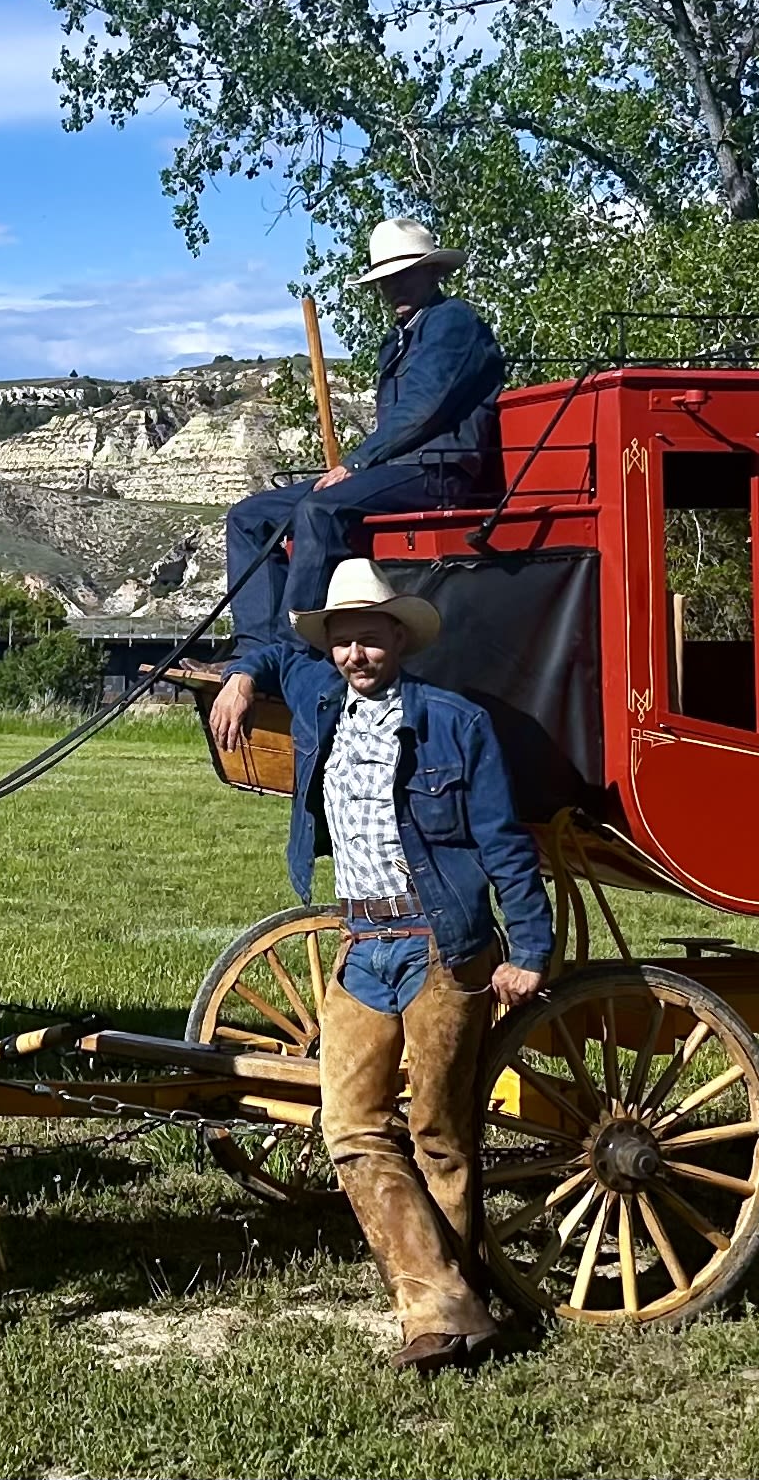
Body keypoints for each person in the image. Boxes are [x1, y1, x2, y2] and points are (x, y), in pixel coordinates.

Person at [207, 558, 551, 1373]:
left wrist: (530, 949)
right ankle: (449, 1303)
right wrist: (238, 675)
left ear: (400, 637)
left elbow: (503, 841)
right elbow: (267, 647)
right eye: (344, 640)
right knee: (350, 1125)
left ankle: (447, 1310)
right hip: (364, 945)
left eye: (370, 636)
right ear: (329, 649)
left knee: (439, 1135)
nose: (357, 653)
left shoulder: (454, 722)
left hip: (442, 942)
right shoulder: (321, 703)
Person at [223, 218, 507, 659]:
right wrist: (361, 468)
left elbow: (423, 410)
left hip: (435, 472)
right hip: (393, 473)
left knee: (320, 508)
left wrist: (355, 465)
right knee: (249, 516)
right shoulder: (394, 344)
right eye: (384, 280)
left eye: (404, 274)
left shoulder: (453, 322)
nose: (394, 287)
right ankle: (255, 650)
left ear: (434, 273)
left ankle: (289, 652)